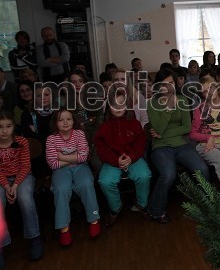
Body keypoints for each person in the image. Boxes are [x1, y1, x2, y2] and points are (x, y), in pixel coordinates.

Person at [146, 69, 209, 224]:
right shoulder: (152, 104)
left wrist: (163, 132)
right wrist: (168, 109)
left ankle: (204, 205)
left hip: (181, 144)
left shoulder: (181, 99)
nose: (168, 87)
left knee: (202, 169)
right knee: (168, 174)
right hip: (161, 147)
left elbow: (186, 127)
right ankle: (155, 210)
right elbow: (158, 129)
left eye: (171, 83)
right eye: (164, 84)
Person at [94, 87, 151, 227]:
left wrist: (131, 157)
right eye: (114, 105)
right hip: (113, 160)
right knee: (105, 181)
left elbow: (140, 143)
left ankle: (141, 204)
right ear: (109, 107)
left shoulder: (134, 123)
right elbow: (101, 148)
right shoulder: (104, 126)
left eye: (121, 104)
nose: (118, 107)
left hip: (133, 158)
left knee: (144, 175)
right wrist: (116, 160)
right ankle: (116, 208)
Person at [46, 108, 100, 246]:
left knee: (87, 184)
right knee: (61, 189)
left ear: (73, 120)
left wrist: (62, 156)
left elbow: (83, 158)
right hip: (61, 170)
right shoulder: (51, 139)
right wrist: (74, 158)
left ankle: (93, 219)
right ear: (55, 123)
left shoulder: (79, 134)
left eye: (68, 119)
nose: (65, 122)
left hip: (80, 168)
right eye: (61, 120)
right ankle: (64, 228)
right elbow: (53, 163)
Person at [0, 111, 44, 263]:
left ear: (13, 127)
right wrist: (7, 187)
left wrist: (15, 185)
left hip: (22, 177)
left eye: (8, 126)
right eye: (0, 127)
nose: (4, 131)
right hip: (2, 180)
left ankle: (34, 238)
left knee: (25, 199)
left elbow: (25, 166)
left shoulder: (21, 142)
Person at [190, 76, 220, 190]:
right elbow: (192, 134)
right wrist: (208, 138)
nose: (209, 92)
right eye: (205, 91)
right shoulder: (200, 109)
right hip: (206, 145)